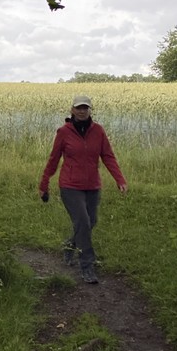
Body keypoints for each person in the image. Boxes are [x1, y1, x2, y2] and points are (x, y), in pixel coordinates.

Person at [39, 94, 127, 284]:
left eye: (85, 108)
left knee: (91, 222)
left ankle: (70, 246)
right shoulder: (64, 132)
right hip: (70, 186)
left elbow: (108, 156)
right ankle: (87, 266)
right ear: (72, 110)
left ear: (90, 110)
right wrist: (44, 184)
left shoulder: (98, 131)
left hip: (92, 185)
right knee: (83, 223)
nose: (81, 111)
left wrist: (119, 179)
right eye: (78, 108)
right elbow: (53, 159)